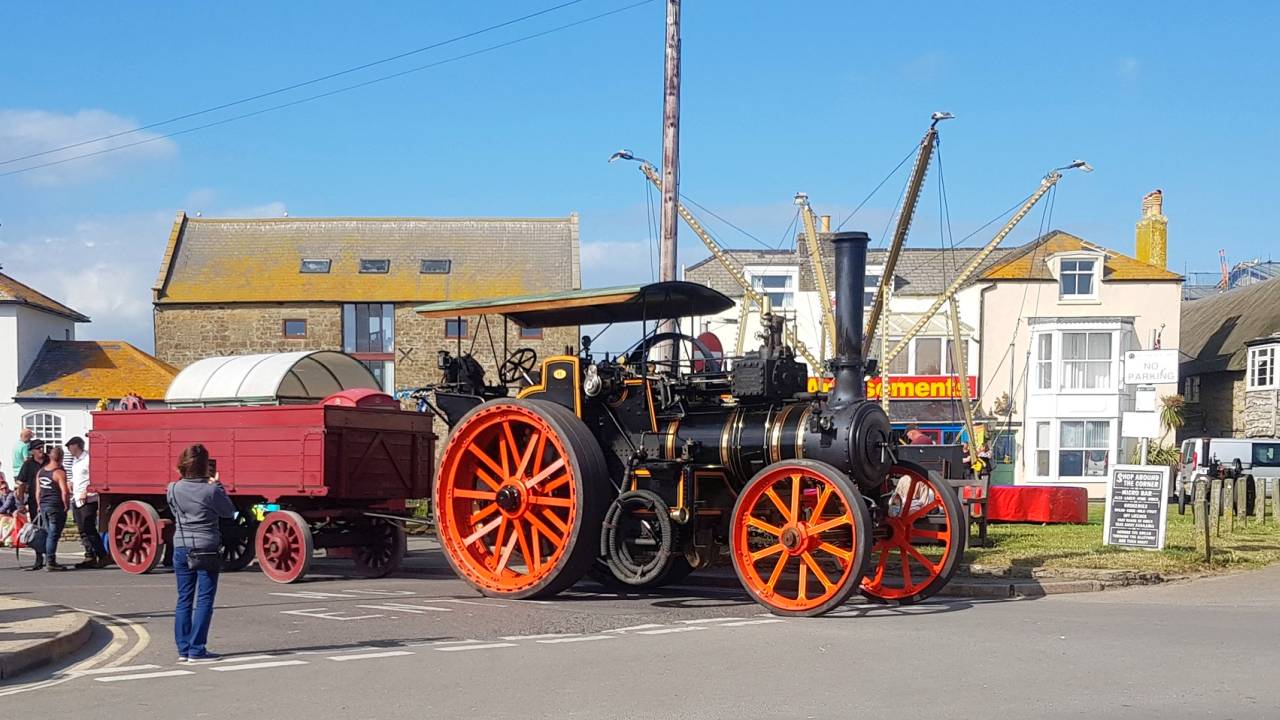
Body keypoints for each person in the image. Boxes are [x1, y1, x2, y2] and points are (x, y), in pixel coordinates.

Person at [168, 444, 235, 662]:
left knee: (184, 598)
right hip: (206, 547)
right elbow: (228, 512)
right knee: (205, 599)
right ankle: (197, 649)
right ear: (205, 466)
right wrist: (219, 486)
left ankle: (183, 649)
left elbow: (175, 511)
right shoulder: (211, 490)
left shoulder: (173, 488)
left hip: (181, 545)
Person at [66, 437, 109, 568]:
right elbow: (78, 477)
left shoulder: (88, 460)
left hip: (88, 498)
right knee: (82, 529)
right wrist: (71, 483)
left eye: (70, 446)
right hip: (76, 497)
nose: (68, 449)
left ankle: (102, 555)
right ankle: (89, 555)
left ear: (76, 446)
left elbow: (94, 477)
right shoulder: (75, 461)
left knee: (88, 527)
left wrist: (87, 491)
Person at [31, 445, 71, 571]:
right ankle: (50, 561)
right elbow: (65, 492)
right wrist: (66, 505)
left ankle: (48, 559)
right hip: (55, 506)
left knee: (49, 533)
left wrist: (39, 505)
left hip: (44, 505)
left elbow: (37, 492)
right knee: (53, 534)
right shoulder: (59, 473)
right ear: (61, 458)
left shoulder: (41, 472)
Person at [0, 477, 17, 547]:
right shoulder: (2, 496)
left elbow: (5, 507)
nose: (4, 490)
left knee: (2, 518)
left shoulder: (11, 495)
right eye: (2, 489)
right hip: (8, 515)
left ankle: (2, 538)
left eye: (5, 488)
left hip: (15, 515)